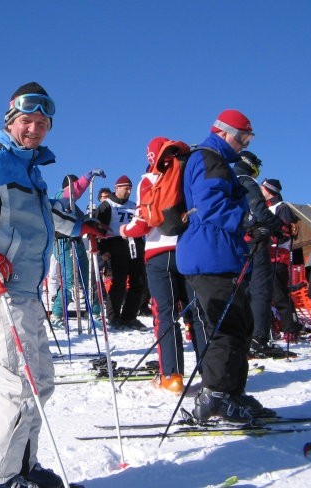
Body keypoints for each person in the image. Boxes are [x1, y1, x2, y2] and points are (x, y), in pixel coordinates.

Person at [0, 82, 104, 488]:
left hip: (25, 290)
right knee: (20, 383)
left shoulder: (30, 169)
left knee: (39, 382)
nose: (34, 129)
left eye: (42, 123)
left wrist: (82, 226)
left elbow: (44, 215)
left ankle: (21, 466)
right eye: (26, 121)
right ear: (11, 121)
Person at [177, 109, 271, 422]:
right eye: (242, 136)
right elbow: (211, 204)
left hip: (219, 253)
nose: (244, 143)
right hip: (209, 254)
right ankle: (215, 397)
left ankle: (232, 392)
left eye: (249, 138)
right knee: (226, 328)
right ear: (222, 131)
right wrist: (247, 221)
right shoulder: (209, 157)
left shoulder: (217, 160)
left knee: (239, 326)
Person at [120, 137, 207, 394]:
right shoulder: (188, 174)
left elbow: (143, 221)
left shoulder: (149, 179)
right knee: (198, 315)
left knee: (165, 314)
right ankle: (211, 374)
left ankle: (171, 375)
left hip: (159, 253)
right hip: (190, 251)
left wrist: (124, 231)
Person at [232, 151, 285, 358]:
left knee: (240, 290)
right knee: (260, 290)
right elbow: (260, 212)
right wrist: (279, 226)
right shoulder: (247, 181)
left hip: (234, 242)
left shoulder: (225, 178)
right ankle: (259, 339)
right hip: (255, 240)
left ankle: (242, 337)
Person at [51, 170, 105, 327]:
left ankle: (94, 313)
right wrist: (88, 177)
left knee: (86, 278)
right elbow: (75, 189)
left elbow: (81, 220)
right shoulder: (61, 198)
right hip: (63, 243)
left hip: (77, 242)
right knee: (71, 280)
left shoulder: (75, 206)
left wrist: (91, 222)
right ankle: (58, 314)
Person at [95, 175, 148, 330]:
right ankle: (114, 317)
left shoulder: (134, 205)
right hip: (115, 244)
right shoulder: (107, 205)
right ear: (117, 188)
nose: (128, 191)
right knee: (118, 282)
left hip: (135, 244)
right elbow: (99, 227)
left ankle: (130, 316)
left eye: (130, 188)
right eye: (126, 188)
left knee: (137, 282)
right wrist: (102, 249)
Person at [260, 178, 303, 340]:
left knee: (280, 295)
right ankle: (273, 327)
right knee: (264, 295)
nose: (260, 192)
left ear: (270, 191)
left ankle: (290, 329)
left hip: (278, 258)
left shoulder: (282, 208)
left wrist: (267, 238)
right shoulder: (265, 208)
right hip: (265, 258)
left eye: (262, 189)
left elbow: (287, 234)